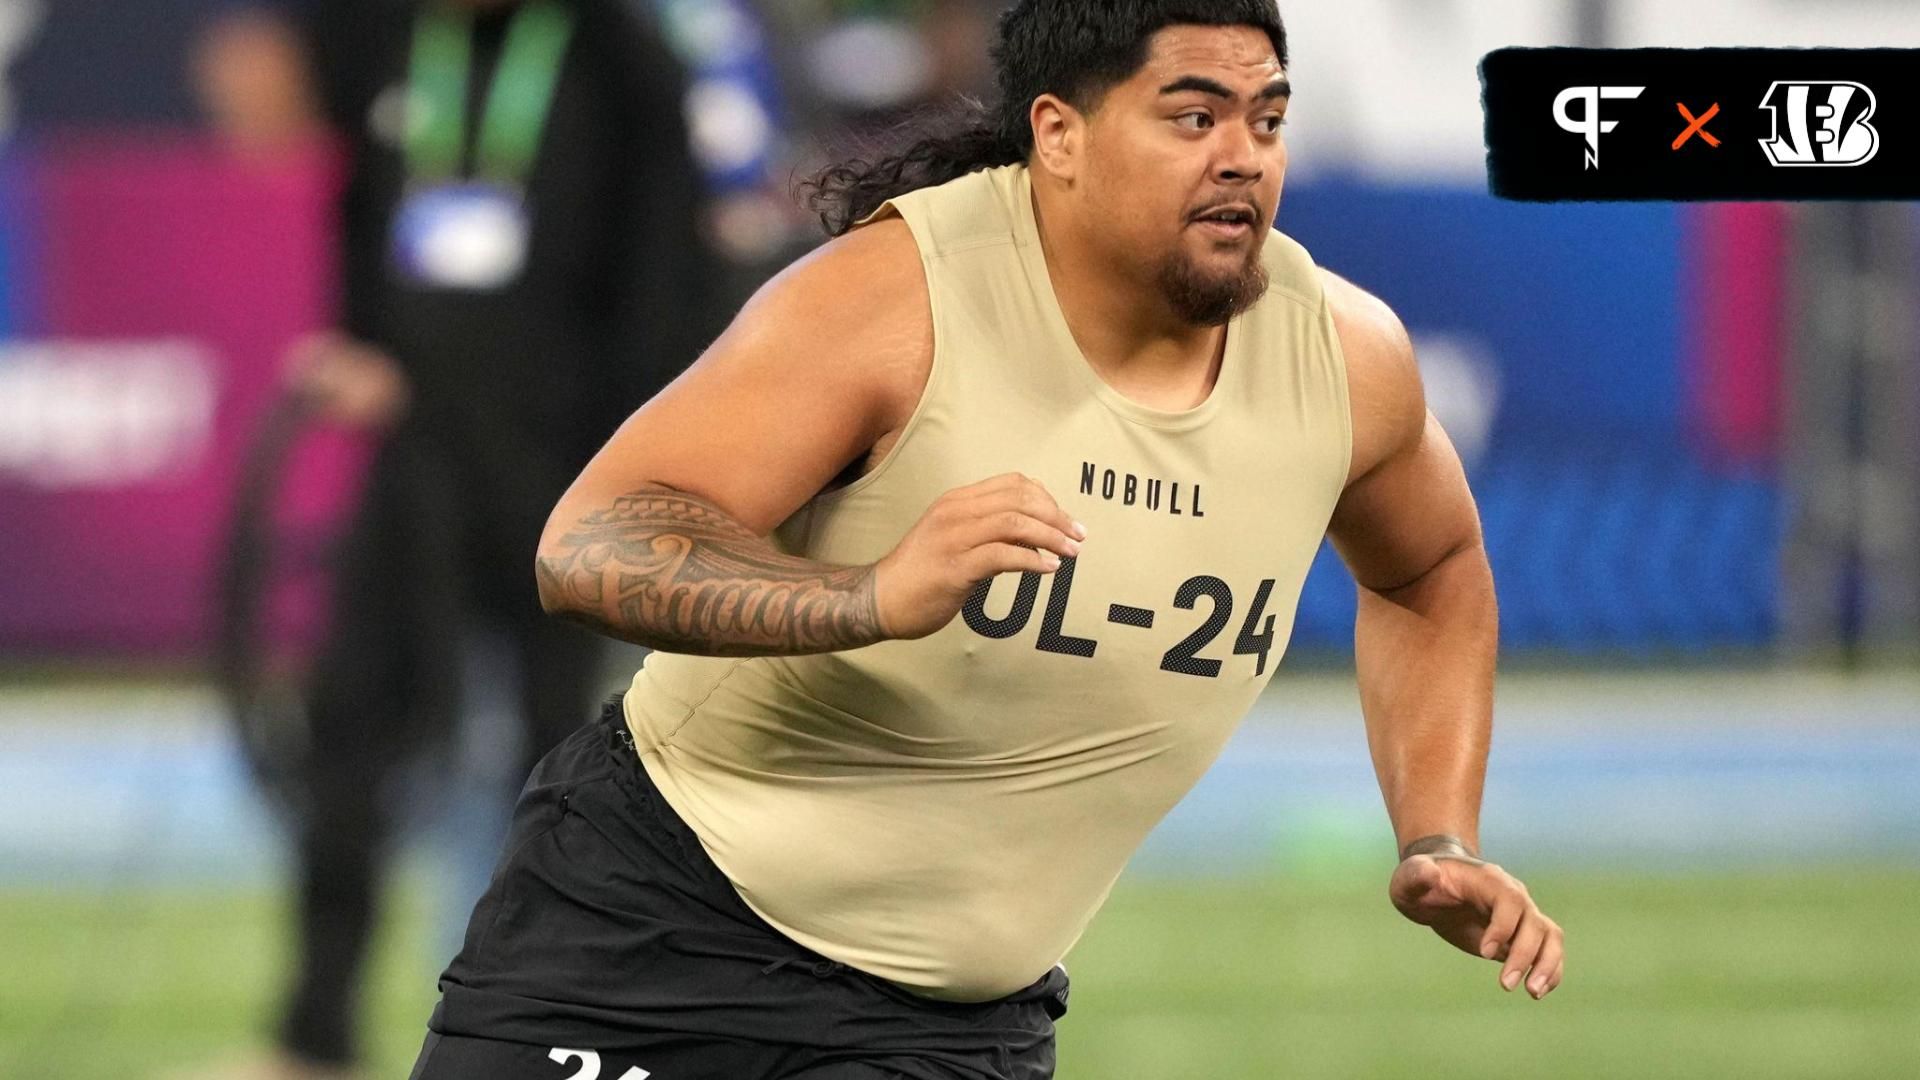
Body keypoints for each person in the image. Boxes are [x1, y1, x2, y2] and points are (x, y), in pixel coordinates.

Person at [411, 2, 1565, 1077]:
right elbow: (594, 540)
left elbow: (1431, 569)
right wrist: (864, 595)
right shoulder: (894, 298)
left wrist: (1440, 834)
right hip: (642, 935)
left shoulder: (1345, 361)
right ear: (1059, 134)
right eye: (1194, 114)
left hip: (956, 1031)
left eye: (1268, 118)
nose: (1244, 156)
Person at [192, 0, 717, 1076]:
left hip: (564, 474)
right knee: (346, 739)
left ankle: (534, 1039)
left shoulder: (622, 56)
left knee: (556, 767)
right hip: (414, 458)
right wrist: (354, 342)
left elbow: (671, 271)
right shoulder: (390, 35)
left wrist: (641, 459)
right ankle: (312, 1037)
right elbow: (340, 181)